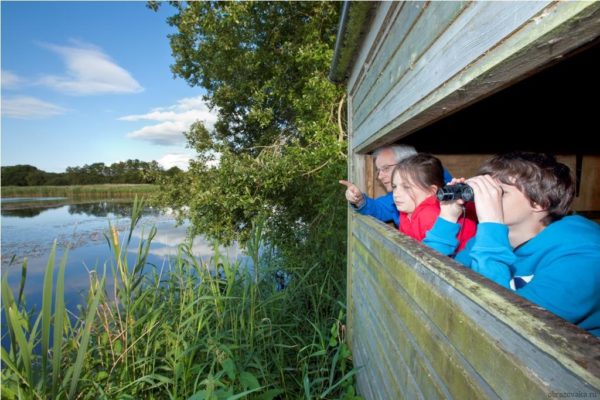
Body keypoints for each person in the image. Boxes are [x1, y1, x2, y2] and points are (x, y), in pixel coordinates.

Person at [423, 152, 600, 336]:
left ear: (540, 202)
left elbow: (507, 326)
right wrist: (448, 216)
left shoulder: (584, 257)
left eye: (500, 192)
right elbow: (425, 276)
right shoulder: (491, 238)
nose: (486, 199)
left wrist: (491, 225)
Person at [340, 144, 452, 227]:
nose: (380, 176)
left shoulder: (449, 199)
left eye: (386, 168)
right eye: (378, 171)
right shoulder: (396, 197)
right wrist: (359, 200)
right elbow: (378, 208)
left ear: (408, 162)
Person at [392, 154, 476, 250]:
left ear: (431, 192)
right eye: (394, 187)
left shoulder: (429, 215)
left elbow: (436, 255)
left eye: (406, 187)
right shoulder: (406, 212)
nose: (396, 194)